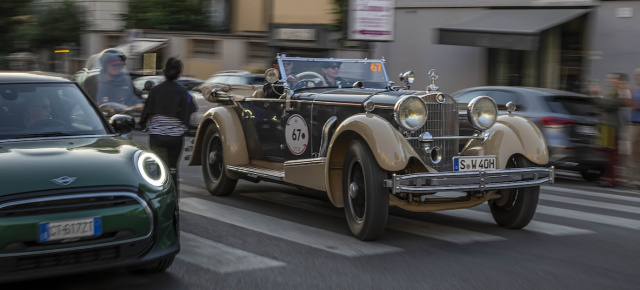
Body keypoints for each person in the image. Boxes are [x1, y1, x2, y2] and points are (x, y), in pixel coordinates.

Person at [140, 57, 196, 193]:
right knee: (172, 169)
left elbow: (147, 113)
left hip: (157, 136)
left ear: (164, 72)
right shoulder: (184, 93)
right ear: (179, 73)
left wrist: (146, 125)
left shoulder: (155, 91)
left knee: (156, 170)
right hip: (175, 138)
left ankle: (157, 198)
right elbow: (191, 109)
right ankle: (174, 199)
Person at [595, 73, 626, 187]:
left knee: (612, 156)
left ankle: (612, 179)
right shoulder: (610, 92)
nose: (611, 81)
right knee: (607, 154)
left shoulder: (620, 93)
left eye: (614, 79)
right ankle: (608, 178)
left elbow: (610, 105)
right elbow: (602, 104)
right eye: (610, 79)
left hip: (612, 128)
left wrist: (599, 95)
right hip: (606, 127)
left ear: (619, 81)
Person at [626, 68, 640, 189]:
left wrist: (630, 98)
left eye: (639, 75)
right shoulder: (636, 91)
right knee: (632, 154)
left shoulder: (634, 92)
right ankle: (631, 181)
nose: (637, 77)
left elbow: (635, 105)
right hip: (634, 125)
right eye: (636, 75)